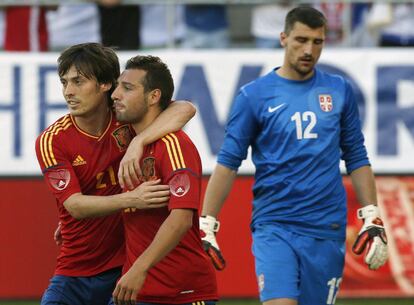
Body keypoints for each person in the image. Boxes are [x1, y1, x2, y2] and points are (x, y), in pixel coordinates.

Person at [199, 6, 388, 305]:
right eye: (301, 40)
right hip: (275, 224)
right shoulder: (254, 95)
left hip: (326, 227)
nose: (308, 50)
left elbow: (356, 156)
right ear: (283, 38)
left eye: (317, 42)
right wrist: (207, 222)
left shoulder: (339, 90)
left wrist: (371, 215)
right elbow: (228, 162)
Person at [35, 43, 196, 305]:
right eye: (64, 83)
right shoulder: (52, 139)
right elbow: (75, 205)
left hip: (123, 268)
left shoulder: (127, 118)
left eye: (78, 81)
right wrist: (132, 199)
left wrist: (138, 141)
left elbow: (186, 108)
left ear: (106, 84)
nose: (68, 92)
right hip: (74, 269)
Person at [110, 55, 218, 305]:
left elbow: (180, 220)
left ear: (153, 97)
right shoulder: (124, 138)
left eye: (127, 88)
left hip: (182, 293)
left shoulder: (174, 145)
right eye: (117, 86)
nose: (115, 95)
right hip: (136, 289)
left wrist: (139, 268)